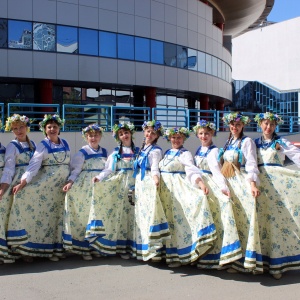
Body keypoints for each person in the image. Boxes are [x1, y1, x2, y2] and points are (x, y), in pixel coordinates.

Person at [7, 114, 70, 262]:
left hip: (62, 187)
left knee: (58, 217)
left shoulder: (65, 143)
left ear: (59, 128)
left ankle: (57, 248)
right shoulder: (42, 145)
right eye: (49, 127)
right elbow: (34, 166)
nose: (52, 129)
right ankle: (30, 248)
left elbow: (70, 164)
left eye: (55, 126)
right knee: (45, 217)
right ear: (45, 130)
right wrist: (23, 183)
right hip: (47, 187)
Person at [159, 127, 216, 268]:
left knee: (177, 221)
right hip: (165, 191)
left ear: (183, 139)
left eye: (179, 137)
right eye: (173, 137)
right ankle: (166, 254)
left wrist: (201, 184)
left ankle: (179, 256)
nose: (176, 140)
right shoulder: (167, 152)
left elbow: (191, 169)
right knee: (166, 220)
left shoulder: (185, 154)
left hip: (177, 190)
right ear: (169, 139)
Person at [254, 112, 300, 279]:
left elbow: (296, 155)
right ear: (260, 124)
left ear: (275, 126)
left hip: (277, 188)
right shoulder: (254, 143)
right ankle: (262, 262)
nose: (268, 127)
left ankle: (277, 264)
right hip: (260, 188)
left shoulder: (281, 142)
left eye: (272, 125)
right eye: (265, 124)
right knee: (262, 223)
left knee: (277, 224)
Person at [192, 120, 242, 269]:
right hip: (200, 182)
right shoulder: (198, 150)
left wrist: (223, 188)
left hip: (211, 183)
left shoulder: (213, 151)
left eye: (207, 133)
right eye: (201, 133)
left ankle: (220, 255)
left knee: (217, 216)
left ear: (212, 134)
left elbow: (216, 170)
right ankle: (201, 253)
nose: (204, 136)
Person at [218, 112, 262, 273]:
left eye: (237, 125)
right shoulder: (228, 142)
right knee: (232, 220)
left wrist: (252, 184)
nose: (234, 127)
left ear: (243, 125)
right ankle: (232, 258)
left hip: (241, 183)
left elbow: (251, 163)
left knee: (244, 220)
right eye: (232, 125)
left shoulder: (247, 141)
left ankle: (244, 261)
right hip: (229, 184)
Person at [88, 121, 139, 259]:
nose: (124, 135)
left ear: (131, 134)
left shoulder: (139, 151)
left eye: (126, 133)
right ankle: (121, 247)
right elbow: (109, 169)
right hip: (120, 185)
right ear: (118, 137)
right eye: (121, 134)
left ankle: (134, 246)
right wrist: (99, 177)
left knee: (134, 215)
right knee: (122, 214)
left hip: (135, 184)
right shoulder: (115, 153)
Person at [63, 124, 107, 261]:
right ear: (86, 137)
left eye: (96, 135)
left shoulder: (104, 152)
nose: (93, 138)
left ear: (100, 136)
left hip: (99, 187)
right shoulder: (82, 152)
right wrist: (70, 182)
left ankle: (95, 246)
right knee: (85, 215)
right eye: (90, 136)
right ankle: (84, 248)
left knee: (97, 215)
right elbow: (76, 170)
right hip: (85, 188)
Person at [132, 120, 170, 261]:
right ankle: (143, 250)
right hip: (140, 184)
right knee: (141, 217)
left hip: (148, 183)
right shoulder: (142, 148)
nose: (149, 134)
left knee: (150, 215)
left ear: (156, 136)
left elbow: (155, 167)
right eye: (148, 131)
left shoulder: (155, 150)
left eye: (153, 133)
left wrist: (155, 179)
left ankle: (154, 250)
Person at [0, 115, 35, 263]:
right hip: (17, 183)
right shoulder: (12, 146)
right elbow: (9, 168)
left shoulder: (33, 144)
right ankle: (15, 249)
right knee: (14, 215)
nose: (19, 131)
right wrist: (3, 188)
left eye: (21, 127)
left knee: (29, 216)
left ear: (27, 127)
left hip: (31, 183)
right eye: (15, 128)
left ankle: (28, 248)